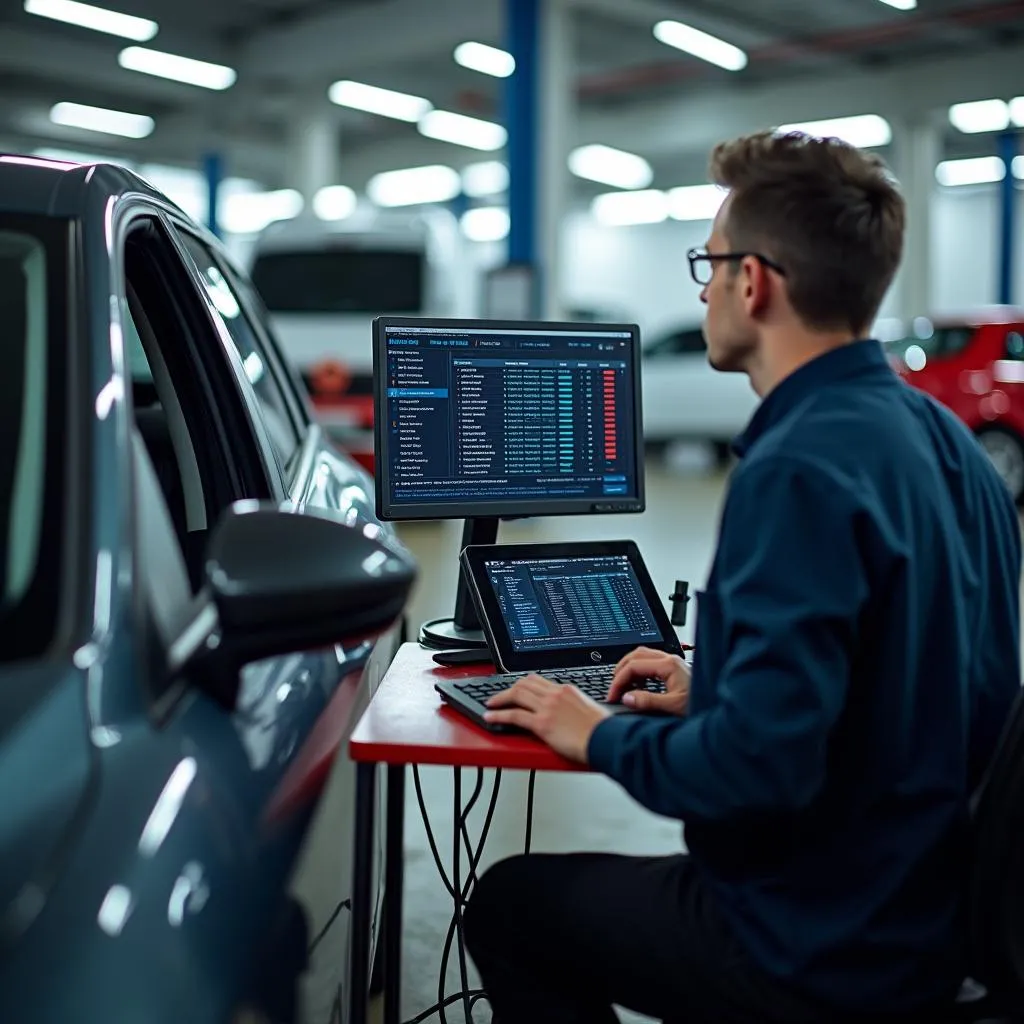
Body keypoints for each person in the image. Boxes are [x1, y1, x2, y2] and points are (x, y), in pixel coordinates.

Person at [461, 130, 1023, 1023]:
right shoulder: (948, 445)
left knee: (509, 906)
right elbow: (934, 689)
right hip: (930, 914)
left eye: (709, 261)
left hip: (814, 938)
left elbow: (750, 777)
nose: (705, 283)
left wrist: (592, 732)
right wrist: (717, 687)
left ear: (752, 281)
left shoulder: (796, 467)